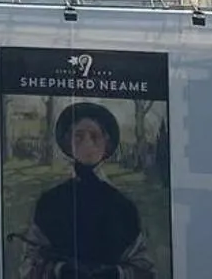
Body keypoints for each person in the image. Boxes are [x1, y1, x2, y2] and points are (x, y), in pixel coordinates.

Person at [17, 102, 154, 279]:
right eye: (79, 137)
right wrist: (60, 271)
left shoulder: (123, 207)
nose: (87, 144)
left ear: (107, 143)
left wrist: (116, 274)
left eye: (95, 136)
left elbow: (144, 270)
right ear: (68, 143)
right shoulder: (50, 202)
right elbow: (30, 266)